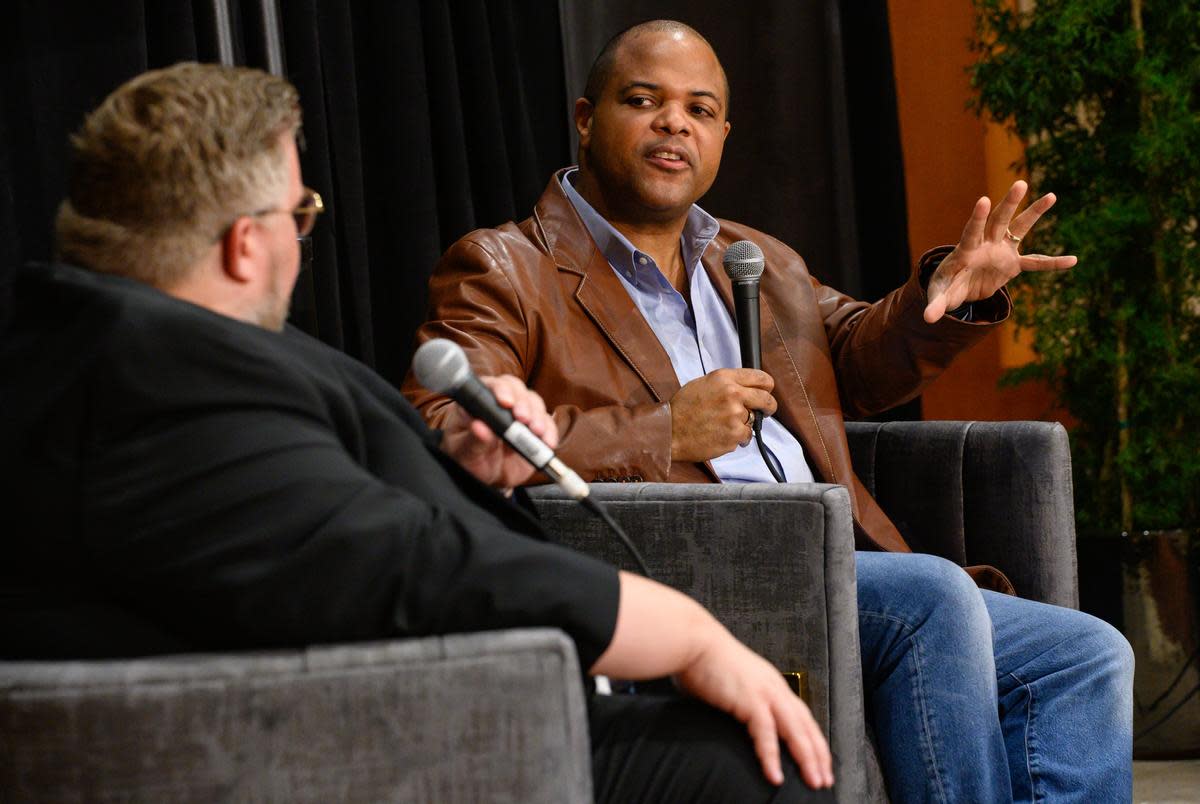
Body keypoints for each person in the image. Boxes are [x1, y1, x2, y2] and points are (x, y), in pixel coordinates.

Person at [0, 62, 836, 802]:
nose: (303, 238)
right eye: (302, 212)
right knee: (766, 765)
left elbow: (287, 516)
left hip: (410, 702)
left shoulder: (114, 340)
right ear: (246, 245)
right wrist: (686, 633)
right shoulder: (159, 377)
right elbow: (396, 563)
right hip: (373, 739)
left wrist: (462, 461)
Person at [402, 20, 1135, 803]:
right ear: (586, 118)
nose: (674, 122)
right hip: (687, 570)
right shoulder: (504, 266)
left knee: (1087, 653)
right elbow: (443, 432)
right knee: (933, 597)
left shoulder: (754, 258)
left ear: (721, 134)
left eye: (700, 108)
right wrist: (664, 433)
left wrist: (941, 297)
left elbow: (853, 356)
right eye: (643, 100)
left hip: (835, 558)